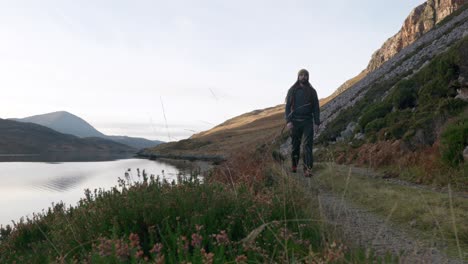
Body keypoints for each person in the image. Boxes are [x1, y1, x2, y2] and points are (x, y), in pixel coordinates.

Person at [285, 69, 320, 177]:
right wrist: (288, 121)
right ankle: (294, 166)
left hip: (308, 122)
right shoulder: (292, 90)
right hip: (295, 122)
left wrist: (317, 123)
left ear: (308, 77)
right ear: (298, 77)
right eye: (301, 75)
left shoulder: (312, 91)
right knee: (295, 146)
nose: (303, 77)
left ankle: (307, 169)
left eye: (305, 75)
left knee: (307, 146)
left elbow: (316, 108)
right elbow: (287, 107)